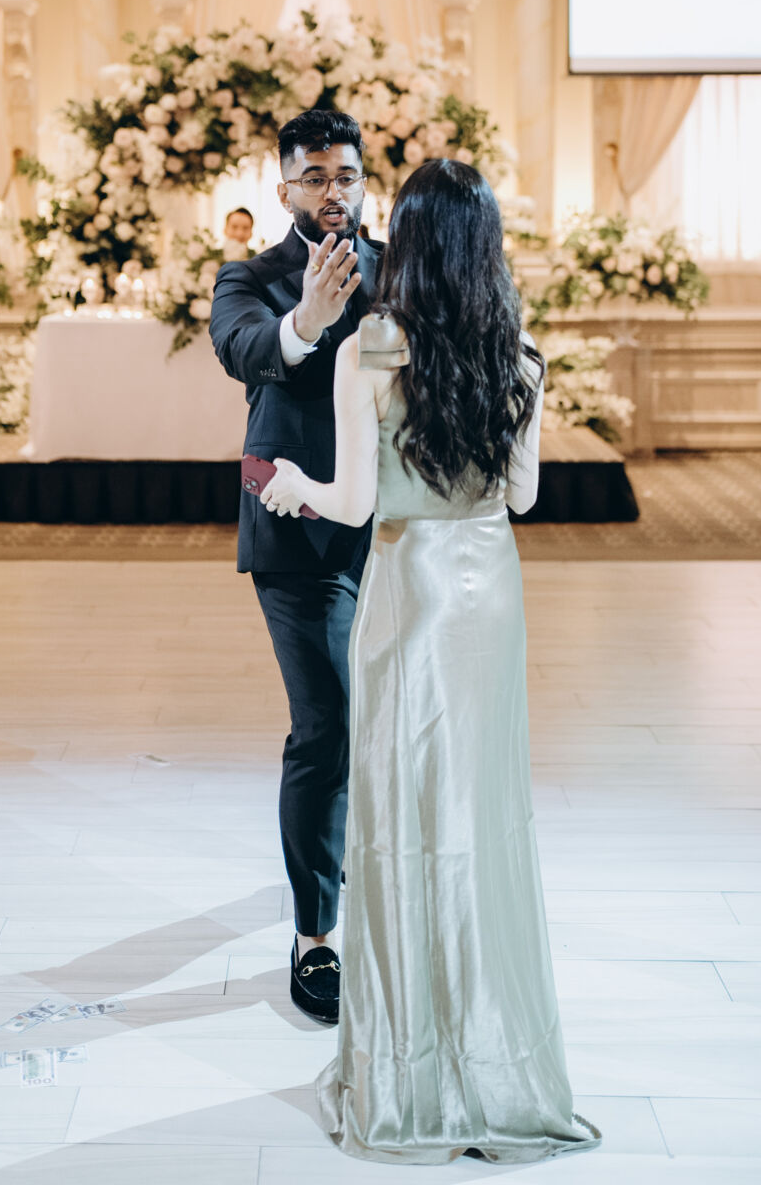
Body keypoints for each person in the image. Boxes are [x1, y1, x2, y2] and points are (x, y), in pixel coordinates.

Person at [261, 158, 600, 1166]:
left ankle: (410, 1076)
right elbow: (522, 497)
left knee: (404, 822)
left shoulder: (370, 347)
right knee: (483, 819)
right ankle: (497, 1064)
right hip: (488, 592)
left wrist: (291, 484)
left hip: (409, 592)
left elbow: (355, 505)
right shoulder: (521, 354)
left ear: (405, 240)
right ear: (486, 246)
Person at [210, 108, 381, 1026]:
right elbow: (244, 350)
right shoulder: (250, 277)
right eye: (314, 177)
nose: (332, 191)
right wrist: (305, 321)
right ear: (284, 190)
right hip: (299, 525)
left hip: (395, 531)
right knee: (327, 723)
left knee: (387, 722)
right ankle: (316, 934)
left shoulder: (399, 269)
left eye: (345, 175)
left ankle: (374, 882)